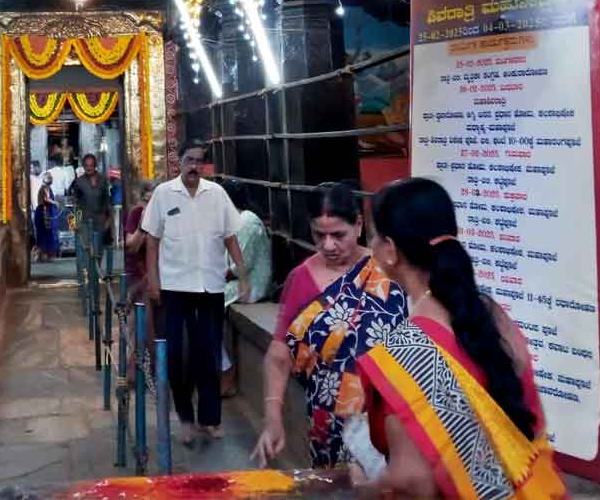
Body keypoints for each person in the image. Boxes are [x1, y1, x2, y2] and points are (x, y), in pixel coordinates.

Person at [356, 178, 565, 499]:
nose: (370, 246)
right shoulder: (491, 314)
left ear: (389, 250)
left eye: (372, 236)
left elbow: (414, 482)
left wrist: (366, 485)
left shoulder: (406, 355)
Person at [252, 182, 407, 474]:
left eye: (338, 235)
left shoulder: (389, 271)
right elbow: (279, 354)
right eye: (318, 235)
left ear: (358, 225)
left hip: (391, 423)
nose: (328, 246)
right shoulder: (301, 279)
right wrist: (272, 418)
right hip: (329, 427)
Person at [143, 140, 248, 444]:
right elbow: (152, 241)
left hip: (210, 285)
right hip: (175, 287)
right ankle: (185, 418)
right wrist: (153, 280)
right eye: (190, 160)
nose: (195, 166)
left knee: (209, 352)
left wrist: (242, 275)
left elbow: (230, 237)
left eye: (200, 161)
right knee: (177, 354)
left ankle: (210, 419)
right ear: (179, 162)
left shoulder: (217, 194)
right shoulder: (164, 194)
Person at [219, 179, 271, 397]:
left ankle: (226, 371)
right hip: (234, 282)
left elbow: (242, 265)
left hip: (250, 285)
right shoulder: (234, 221)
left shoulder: (247, 221)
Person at [124, 179, 156, 374]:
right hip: (137, 276)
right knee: (138, 326)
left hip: (156, 277)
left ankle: (152, 370)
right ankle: (134, 373)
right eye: (147, 200)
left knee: (154, 328)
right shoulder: (137, 213)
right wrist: (143, 226)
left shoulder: (162, 214)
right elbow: (132, 246)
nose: (150, 204)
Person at [70, 153, 112, 250]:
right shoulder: (79, 182)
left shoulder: (103, 180)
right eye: (86, 165)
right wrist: (73, 223)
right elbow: (75, 203)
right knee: (87, 248)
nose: (89, 168)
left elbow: (107, 201)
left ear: (95, 165)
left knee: (99, 250)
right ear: (83, 166)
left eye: (91, 165)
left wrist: (109, 221)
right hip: (84, 220)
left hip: (100, 220)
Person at [33, 172, 60, 262]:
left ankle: (46, 255)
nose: (51, 179)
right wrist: (55, 202)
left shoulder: (48, 188)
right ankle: (41, 255)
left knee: (47, 233)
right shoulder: (44, 188)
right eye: (49, 178)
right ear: (45, 179)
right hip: (42, 212)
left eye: (51, 178)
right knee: (44, 234)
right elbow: (46, 199)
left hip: (46, 211)